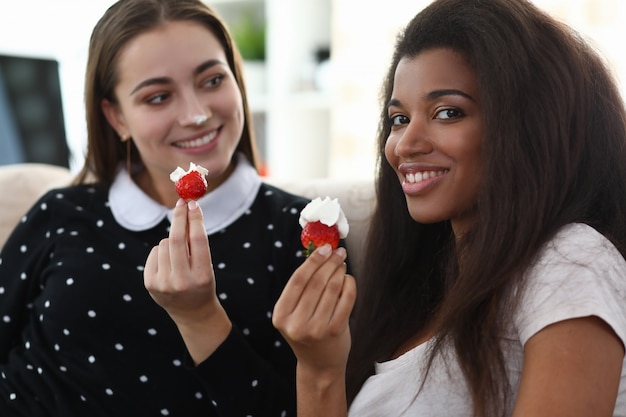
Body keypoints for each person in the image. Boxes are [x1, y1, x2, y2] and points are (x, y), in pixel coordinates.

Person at [272, 0, 626, 416]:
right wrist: (319, 371)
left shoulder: (569, 261)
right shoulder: (424, 293)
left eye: (447, 112)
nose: (405, 145)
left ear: (529, 125)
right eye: (399, 119)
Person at [0, 0, 308, 415]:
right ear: (116, 117)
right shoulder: (61, 212)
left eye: (213, 80)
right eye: (159, 97)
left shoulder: (303, 231)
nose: (197, 114)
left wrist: (201, 318)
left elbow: (296, 406)